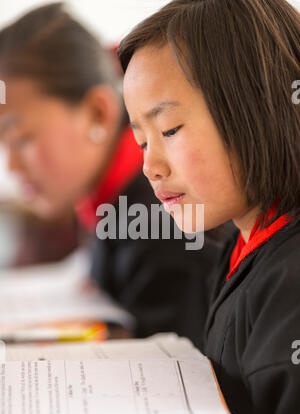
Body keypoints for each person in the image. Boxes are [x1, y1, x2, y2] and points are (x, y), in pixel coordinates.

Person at [118, 0, 300, 414]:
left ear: (261, 103)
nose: (150, 166)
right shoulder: (241, 247)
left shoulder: (291, 282)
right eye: (141, 141)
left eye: (170, 130)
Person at [0, 2, 222, 344]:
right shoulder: (105, 200)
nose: (10, 165)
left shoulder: (165, 221)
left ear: (97, 113)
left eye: (21, 139)